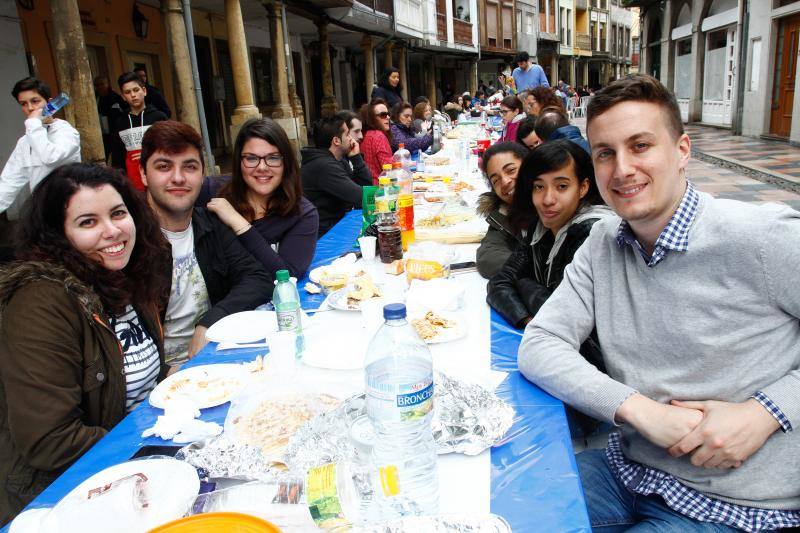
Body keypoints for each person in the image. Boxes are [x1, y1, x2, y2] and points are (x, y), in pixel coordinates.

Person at [519, 74, 800, 531]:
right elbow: (541, 343)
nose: (623, 168)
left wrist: (766, 411)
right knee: (507, 512)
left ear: (683, 150)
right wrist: (638, 410)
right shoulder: (602, 242)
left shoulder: (761, 238)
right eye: (606, 153)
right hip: (628, 469)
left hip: (740, 502)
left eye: (641, 145)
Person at [0, 163, 171, 524]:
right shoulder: (41, 302)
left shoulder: (125, 277)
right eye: (88, 222)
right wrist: (152, 449)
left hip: (133, 466)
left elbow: (135, 377)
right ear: (57, 235)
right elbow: (51, 441)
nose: (112, 231)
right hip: (67, 496)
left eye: (118, 213)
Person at [139, 121, 273, 367]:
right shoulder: (127, 238)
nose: (178, 177)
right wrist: (163, 372)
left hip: (212, 358)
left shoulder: (210, 224)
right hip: (153, 377)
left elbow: (258, 278)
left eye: (189, 166)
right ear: (143, 174)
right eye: (164, 166)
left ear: (202, 175)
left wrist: (210, 320)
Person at [206, 119, 318, 279]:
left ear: (285, 162)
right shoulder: (212, 190)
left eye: (273, 158)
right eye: (251, 158)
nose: (262, 167)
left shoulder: (302, 214)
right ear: (239, 162)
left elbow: (287, 275)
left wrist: (237, 222)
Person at [0, 77, 80, 220]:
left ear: (49, 102)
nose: (30, 108)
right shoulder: (25, 142)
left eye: (35, 101)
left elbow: (50, 157)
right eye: (24, 104)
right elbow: (9, 182)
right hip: (43, 212)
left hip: (73, 209)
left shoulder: (66, 132)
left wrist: (33, 124)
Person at [302, 115, 372, 236]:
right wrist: (357, 158)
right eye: (347, 134)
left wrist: (356, 158)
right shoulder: (324, 166)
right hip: (324, 237)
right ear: (336, 141)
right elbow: (362, 198)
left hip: (336, 226)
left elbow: (365, 188)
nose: (351, 138)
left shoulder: (337, 160)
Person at [476, 142, 529, 279]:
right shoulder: (505, 213)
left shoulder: (551, 207)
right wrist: (528, 270)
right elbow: (488, 256)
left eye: (511, 170)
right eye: (496, 180)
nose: (505, 181)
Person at [111, 72, 168, 191]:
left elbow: (169, 148)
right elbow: (117, 156)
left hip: (159, 178)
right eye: (127, 92)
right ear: (123, 96)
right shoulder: (120, 123)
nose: (133, 95)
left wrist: (147, 153)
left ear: (144, 91)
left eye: (136, 90)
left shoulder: (159, 117)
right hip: (131, 183)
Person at [359, 98, 394, 183]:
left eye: (388, 114)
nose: (388, 117)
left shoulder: (365, 134)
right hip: (381, 189)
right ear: (372, 118)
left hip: (368, 188)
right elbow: (389, 169)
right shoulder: (378, 136)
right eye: (383, 115)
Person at [94, 76, 126, 161]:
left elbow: (124, 113)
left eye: (102, 84)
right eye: (97, 85)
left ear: (107, 84)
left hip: (115, 133)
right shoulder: (94, 98)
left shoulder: (116, 97)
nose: (100, 87)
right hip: (102, 134)